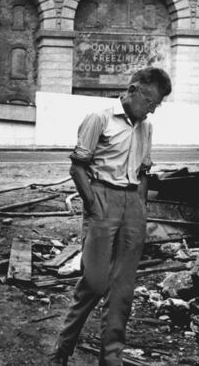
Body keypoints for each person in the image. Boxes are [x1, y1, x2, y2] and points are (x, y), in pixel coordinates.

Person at [49, 67, 172, 366]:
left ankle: (111, 357)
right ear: (132, 91)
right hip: (102, 197)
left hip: (133, 204)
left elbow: (143, 172)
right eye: (150, 101)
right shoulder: (99, 119)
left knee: (123, 288)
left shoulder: (146, 127)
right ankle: (61, 351)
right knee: (93, 282)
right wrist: (93, 205)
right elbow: (77, 167)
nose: (152, 109)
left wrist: (140, 207)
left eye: (157, 105)